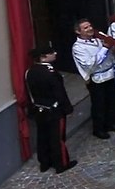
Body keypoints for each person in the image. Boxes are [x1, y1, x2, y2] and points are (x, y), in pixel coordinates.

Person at [25, 45, 76, 173]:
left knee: (42, 136)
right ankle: (61, 164)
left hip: (39, 109)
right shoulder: (51, 73)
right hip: (54, 110)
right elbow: (59, 93)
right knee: (56, 138)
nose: (55, 53)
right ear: (43, 57)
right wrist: (67, 108)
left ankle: (44, 162)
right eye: (51, 52)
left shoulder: (29, 72)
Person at [71, 19, 115, 140]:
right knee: (99, 104)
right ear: (78, 31)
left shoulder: (98, 39)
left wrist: (113, 49)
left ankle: (111, 123)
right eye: (85, 28)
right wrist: (104, 48)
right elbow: (90, 64)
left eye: (90, 26)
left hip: (109, 74)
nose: (90, 29)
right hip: (96, 78)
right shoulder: (78, 48)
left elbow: (108, 55)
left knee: (112, 100)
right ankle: (98, 129)